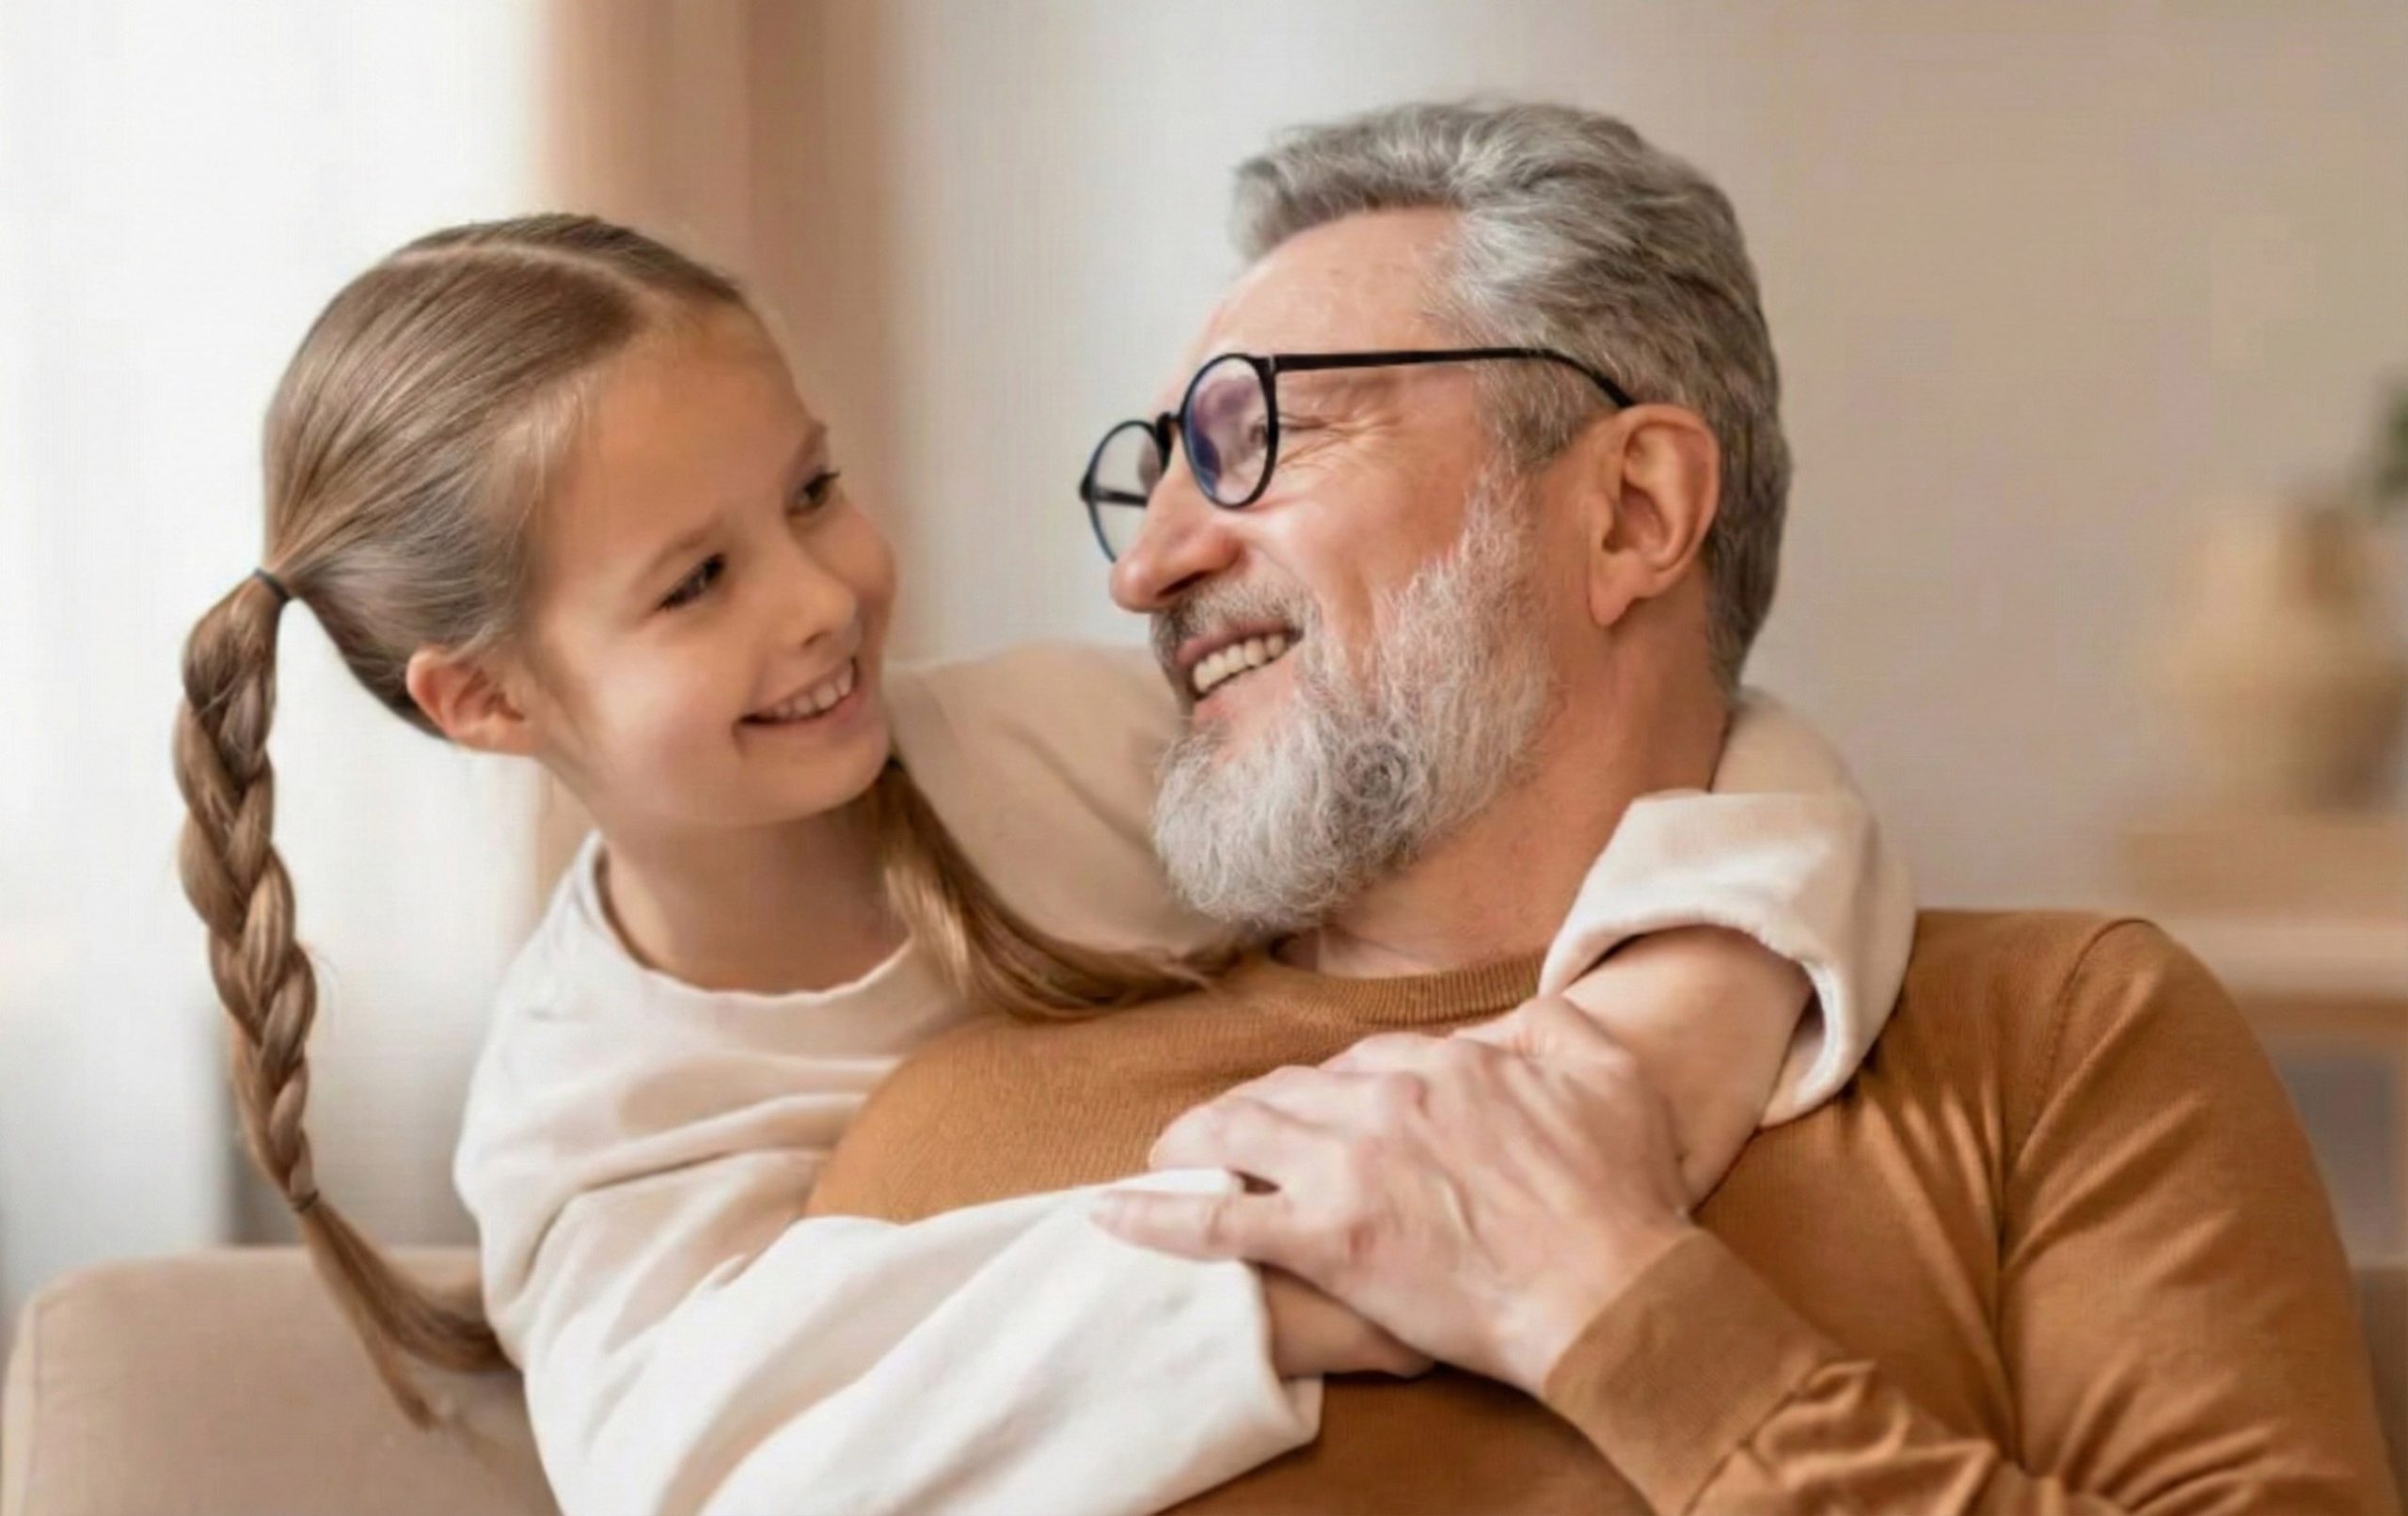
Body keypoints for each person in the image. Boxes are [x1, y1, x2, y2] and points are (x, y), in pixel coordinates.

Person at [171, 213, 1908, 1516]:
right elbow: (727, 1480)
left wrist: (1664, 1039)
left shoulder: (1073, 750)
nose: (819, 596)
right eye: (696, 583)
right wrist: (1320, 1263)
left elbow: (1739, 752)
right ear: (485, 699)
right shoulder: (586, 1122)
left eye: (814, 491)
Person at [805, 102, 2400, 1512]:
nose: (1144, 567)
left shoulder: (2057, 1047)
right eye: (1150, 474)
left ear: (1633, 510)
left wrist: (1613, 1310)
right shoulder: (952, 1140)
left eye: (1255, 436)